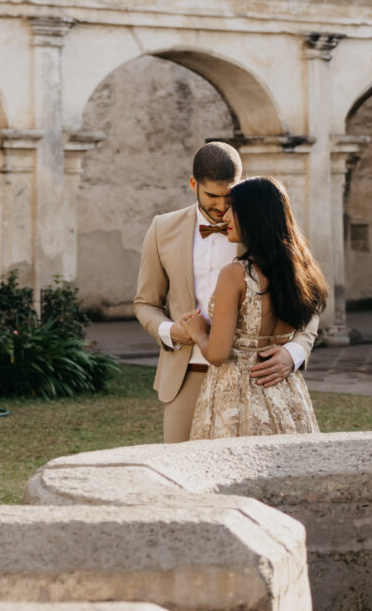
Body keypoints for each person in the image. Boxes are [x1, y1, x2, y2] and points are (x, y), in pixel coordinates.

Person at [134, 143, 321, 443]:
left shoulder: (260, 226)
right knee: (183, 470)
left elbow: (304, 293)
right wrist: (172, 331)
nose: (222, 207)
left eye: (229, 197)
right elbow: (145, 303)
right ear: (194, 184)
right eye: (212, 196)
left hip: (256, 376)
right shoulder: (162, 229)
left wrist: (295, 351)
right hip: (186, 372)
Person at [182, 176, 327, 440]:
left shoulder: (234, 275)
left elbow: (217, 354)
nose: (224, 217)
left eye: (231, 209)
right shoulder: (301, 272)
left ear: (252, 215)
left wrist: (198, 332)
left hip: (236, 395)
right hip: (287, 394)